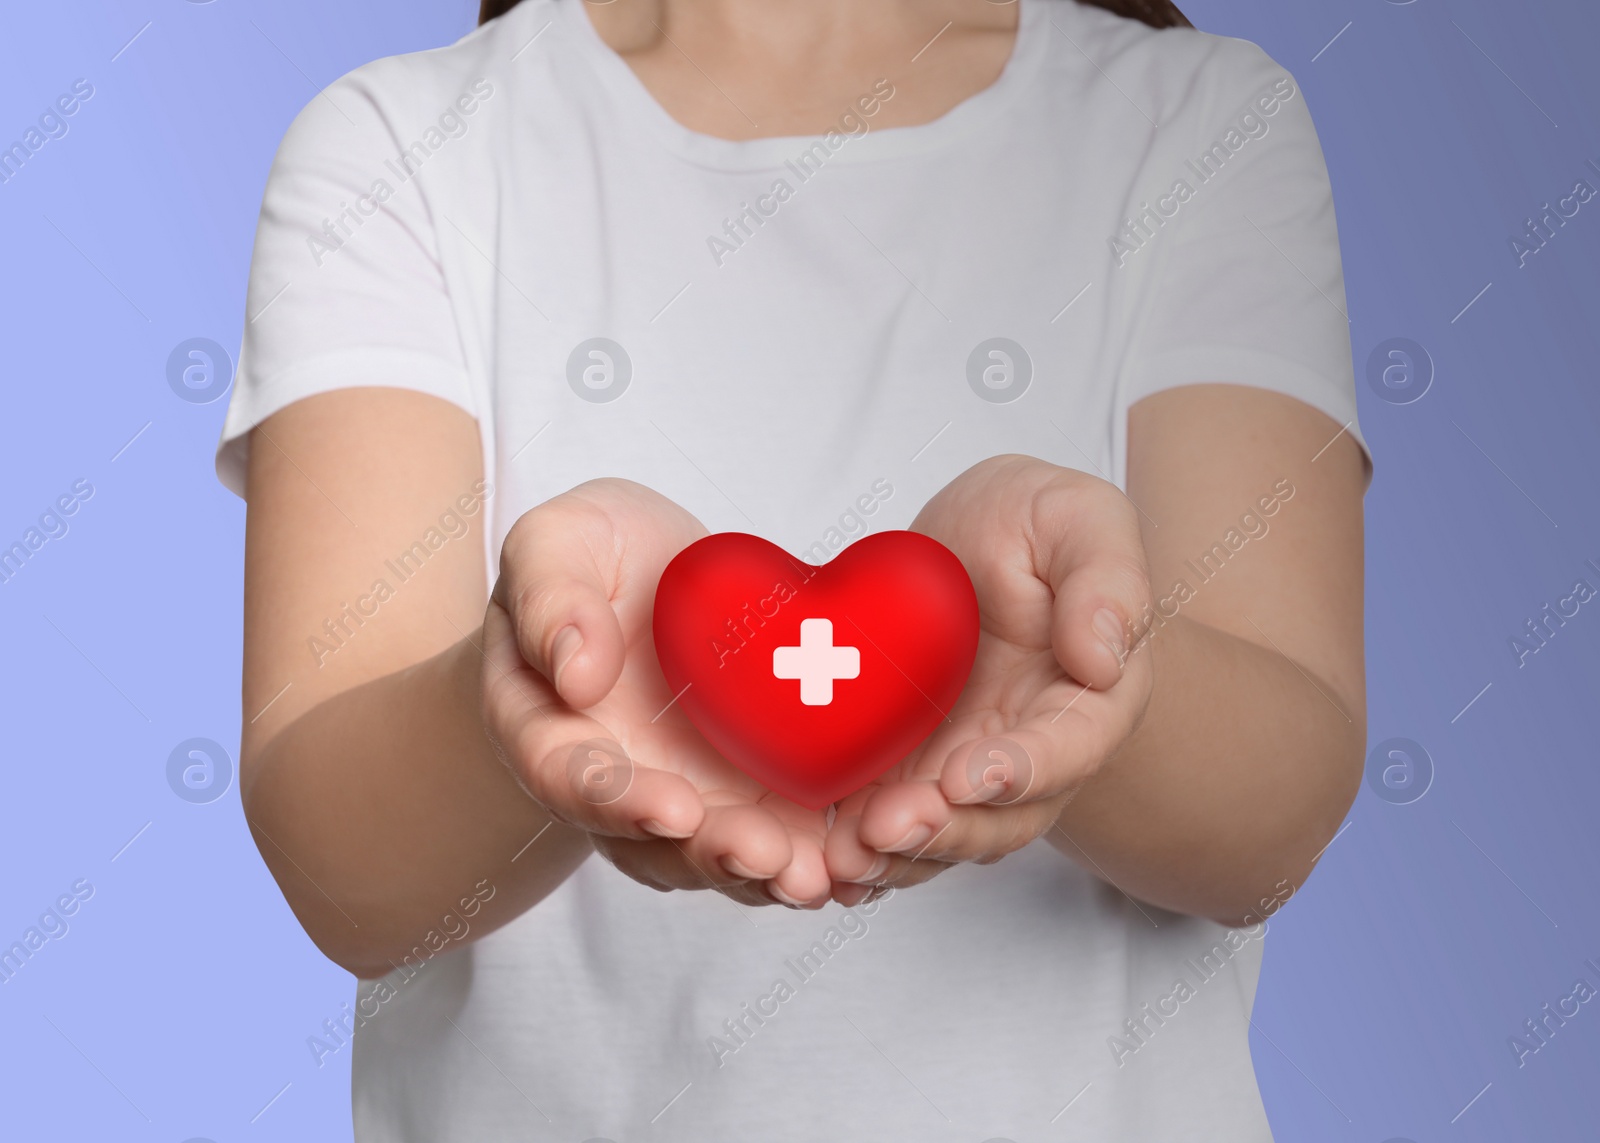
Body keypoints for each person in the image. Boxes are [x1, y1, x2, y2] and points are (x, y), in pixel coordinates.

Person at [217, 0, 1369, 1138]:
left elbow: (1274, 822)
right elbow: (343, 871)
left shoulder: (1194, 121)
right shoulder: (408, 147)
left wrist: (1082, 665)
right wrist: (515, 705)